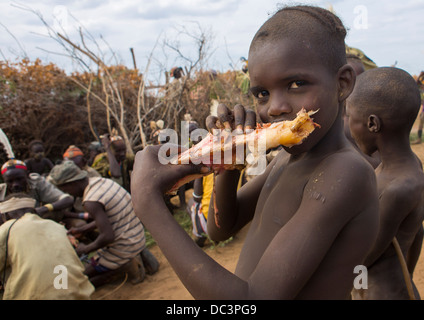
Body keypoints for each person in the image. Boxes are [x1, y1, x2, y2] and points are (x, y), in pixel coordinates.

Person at [130, 5, 379, 299]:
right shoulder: (289, 156)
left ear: (343, 83)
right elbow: (221, 228)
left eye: (296, 84)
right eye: (262, 93)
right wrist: (229, 161)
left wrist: (147, 204)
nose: (274, 107)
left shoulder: (344, 172)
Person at [347, 67, 424, 300]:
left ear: (372, 124)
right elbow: (417, 234)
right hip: (393, 288)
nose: (348, 125)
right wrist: (406, 276)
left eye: (350, 117)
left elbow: (362, 259)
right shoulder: (407, 168)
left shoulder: (397, 189)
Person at [49, 160, 158, 287]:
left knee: (80, 279)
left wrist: (85, 249)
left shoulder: (91, 201)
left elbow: (107, 237)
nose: (67, 193)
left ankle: (123, 268)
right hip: (137, 235)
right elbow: (113, 217)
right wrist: (84, 229)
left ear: (71, 184)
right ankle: (136, 258)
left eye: (64, 189)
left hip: (126, 246)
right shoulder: (102, 182)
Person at [0, 193, 94, 299]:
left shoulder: (6, 229)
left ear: (4, 215)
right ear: (35, 211)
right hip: (78, 294)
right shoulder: (57, 226)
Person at [0, 159, 74, 223]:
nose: (15, 184)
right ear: (4, 180)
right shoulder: (1, 191)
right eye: (10, 181)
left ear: (28, 175)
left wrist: (44, 209)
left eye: (19, 179)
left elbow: (68, 199)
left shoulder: (37, 183)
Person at [343, 54, 381, 168]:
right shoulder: (329, 122)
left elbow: (380, 164)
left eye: (361, 79)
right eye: (349, 80)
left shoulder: (369, 119)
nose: (360, 86)